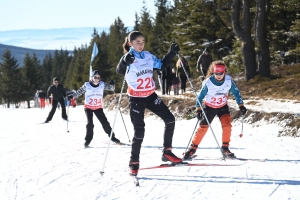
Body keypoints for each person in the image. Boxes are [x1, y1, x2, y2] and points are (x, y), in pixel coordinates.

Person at [116, 31, 182, 176]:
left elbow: (161, 65)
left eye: (143, 41)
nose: (141, 44)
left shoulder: (148, 56)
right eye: (137, 42)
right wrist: (124, 61)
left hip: (151, 96)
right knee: (139, 132)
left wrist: (171, 53)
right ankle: (134, 163)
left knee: (170, 119)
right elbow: (120, 70)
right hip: (136, 99)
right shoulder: (128, 57)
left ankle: (167, 152)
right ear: (130, 43)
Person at [183, 60, 247, 159]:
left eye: (220, 73)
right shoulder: (208, 82)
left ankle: (225, 148)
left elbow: (236, 93)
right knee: (203, 128)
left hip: (222, 107)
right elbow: (200, 96)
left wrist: (241, 105)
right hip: (209, 107)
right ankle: (192, 149)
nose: (218, 76)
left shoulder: (228, 81)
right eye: (216, 73)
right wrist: (198, 109)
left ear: (224, 72)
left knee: (227, 126)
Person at [67, 70, 121, 148]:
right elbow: (79, 92)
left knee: (105, 122)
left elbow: (112, 88)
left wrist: (112, 84)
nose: (97, 79)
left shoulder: (102, 84)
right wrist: (72, 96)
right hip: (88, 107)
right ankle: (87, 141)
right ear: (92, 77)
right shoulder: (87, 85)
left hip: (98, 107)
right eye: (95, 77)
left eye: (98, 77)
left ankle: (113, 137)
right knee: (90, 124)